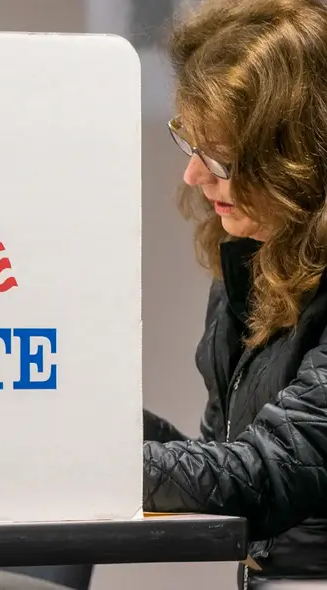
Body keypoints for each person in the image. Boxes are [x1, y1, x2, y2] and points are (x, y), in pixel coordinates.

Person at [143, 0, 327, 587]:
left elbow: (261, 475)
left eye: (220, 155)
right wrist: (85, 425)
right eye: (191, 144)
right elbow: (220, 456)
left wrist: (83, 460)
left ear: (296, 158)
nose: (194, 175)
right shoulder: (251, 264)